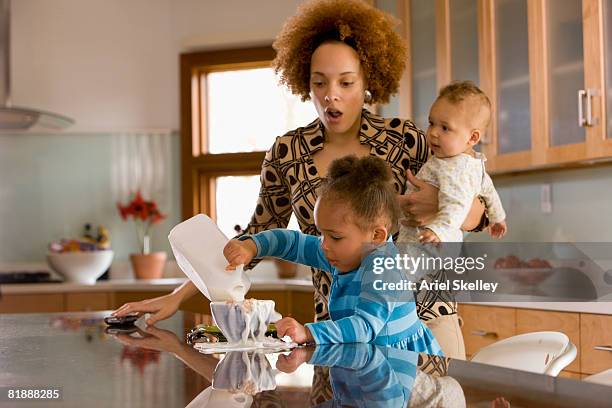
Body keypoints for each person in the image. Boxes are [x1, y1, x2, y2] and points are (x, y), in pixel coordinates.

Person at [112, 0, 487, 359]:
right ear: (303, 82)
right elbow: (253, 241)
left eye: (346, 83)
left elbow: (478, 209)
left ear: (367, 81)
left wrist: (445, 206)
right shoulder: (288, 152)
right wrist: (176, 296)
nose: (331, 96)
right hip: (337, 332)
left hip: (425, 321)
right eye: (319, 82)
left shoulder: (404, 138)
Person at [224, 156, 443, 354]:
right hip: (368, 363)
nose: (324, 245)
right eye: (322, 234)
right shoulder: (343, 252)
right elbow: (292, 243)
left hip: (403, 369)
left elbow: (365, 327)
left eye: (335, 237)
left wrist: (308, 333)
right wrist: (252, 246)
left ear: (376, 236)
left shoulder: (383, 267)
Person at [399, 81, 506, 244]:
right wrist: (497, 217)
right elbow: (489, 191)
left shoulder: (454, 168)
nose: (433, 132)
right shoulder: (475, 165)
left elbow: (456, 203)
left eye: (445, 128)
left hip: (425, 240)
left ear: (472, 138)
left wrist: (437, 230)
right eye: (431, 123)